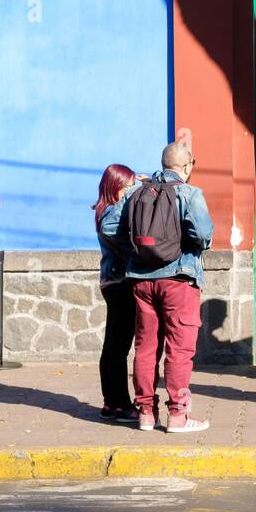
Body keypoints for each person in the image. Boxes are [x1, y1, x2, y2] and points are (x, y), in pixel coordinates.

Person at [121, 141, 214, 434]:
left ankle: (146, 413)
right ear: (187, 166)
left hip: (141, 280)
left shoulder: (137, 193)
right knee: (179, 349)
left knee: (146, 348)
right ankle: (178, 415)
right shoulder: (189, 193)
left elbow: (115, 227)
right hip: (179, 279)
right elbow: (203, 234)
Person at [93, 163, 145, 422]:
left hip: (115, 282)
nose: (131, 189)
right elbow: (121, 234)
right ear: (116, 186)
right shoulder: (111, 213)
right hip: (119, 284)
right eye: (127, 184)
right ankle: (119, 404)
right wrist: (137, 192)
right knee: (118, 347)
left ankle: (111, 402)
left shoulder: (108, 210)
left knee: (113, 345)